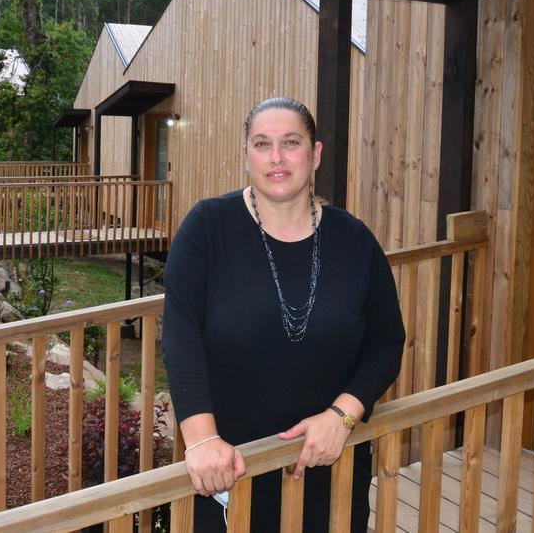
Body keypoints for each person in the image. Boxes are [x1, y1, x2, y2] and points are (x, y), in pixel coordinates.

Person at [161, 97, 405, 532]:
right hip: (230, 469)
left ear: (315, 154)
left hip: (332, 464)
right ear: (247, 155)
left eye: (290, 142)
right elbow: (181, 338)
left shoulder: (355, 240)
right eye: (262, 144)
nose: (276, 157)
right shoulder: (207, 228)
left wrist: (342, 416)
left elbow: (386, 341)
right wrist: (203, 440)